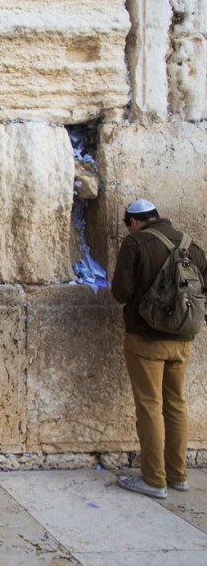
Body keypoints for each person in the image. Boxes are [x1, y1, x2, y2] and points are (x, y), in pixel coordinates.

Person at [111, 199, 207, 499]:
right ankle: (178, 475)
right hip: (182, 340)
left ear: (133, 221)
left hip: (146, 339)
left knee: (150, 406)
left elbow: (121, 292)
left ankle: (154, 479)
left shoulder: (136, 242)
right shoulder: (191, 245)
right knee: (176, 404)